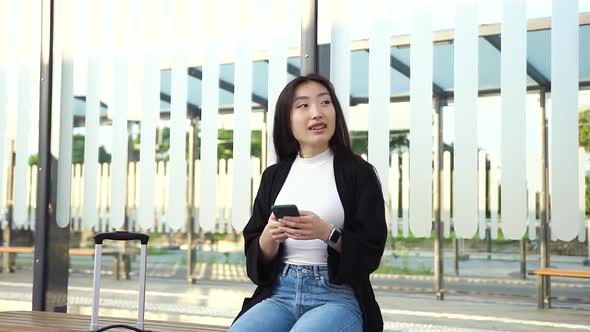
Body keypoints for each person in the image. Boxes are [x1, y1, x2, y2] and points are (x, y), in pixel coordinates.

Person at [230, 74, 387, 332]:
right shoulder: (274, 176)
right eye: (303, 106)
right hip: (280, 293)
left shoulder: (359, 173)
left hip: (337, 297)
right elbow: (255, 254)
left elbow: (371, 253)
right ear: (287, 120)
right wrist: (270, 236)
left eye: (325, 103)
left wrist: (327, 233)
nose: (317, 113)